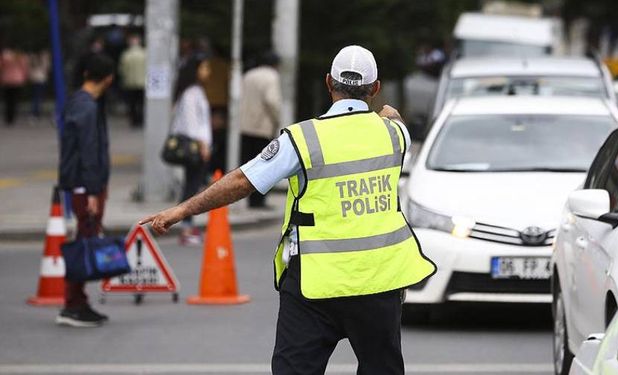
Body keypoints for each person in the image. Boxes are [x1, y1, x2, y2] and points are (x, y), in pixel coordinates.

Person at [140, 45, 436, 374]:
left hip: (314, 284)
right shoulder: (395, 135)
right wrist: (388, 113)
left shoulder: (303, 139)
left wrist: (181, 211)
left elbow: (242, 181)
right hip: (380, 282)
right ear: (376, 88)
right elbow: (393, 117)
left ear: (328, 83)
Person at [57, 53, 114, 327]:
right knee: (84, 241)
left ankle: (77, 301)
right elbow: (88, 152)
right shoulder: (88, 107)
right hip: (85, 186)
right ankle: (73, 304)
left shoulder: (78, 102)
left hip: (83, 184)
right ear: (109, 79)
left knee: (84, 238)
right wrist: (93, 190)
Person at [171, 57, 212, 246]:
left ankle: (188, 225)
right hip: (195, 147)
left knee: (193, 185)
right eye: (204, 67)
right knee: (191, 186)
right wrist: (203, 145)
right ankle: (186, 227)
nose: (207, 71)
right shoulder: (191, 93)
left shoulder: (195, 91)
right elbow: (191, 123)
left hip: (198, 145)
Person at [239, 51, 282, 208]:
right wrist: (277, 119)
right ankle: (259, 201)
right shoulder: (272, 76)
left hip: (245, 125)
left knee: (249, 164)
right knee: (265, 165)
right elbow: (272, 100)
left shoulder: (249, 75)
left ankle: (250, 199)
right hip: (262, 126)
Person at [119, 34, 146, 128]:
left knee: (132, 103)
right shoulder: (145, 54)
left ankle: (134, 120)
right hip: (143, 83)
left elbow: (122, 70)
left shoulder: (126, 55)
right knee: (141, 103)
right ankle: (141, 120)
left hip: (130, 83)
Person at [0, 46, 29, 126]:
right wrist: (24, 78)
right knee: (14, 101)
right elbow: (25, 68)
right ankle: (12, 118)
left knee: (7, 101)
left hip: (7, 80)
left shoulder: (5, 56)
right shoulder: (21, 57)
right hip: (17, 80)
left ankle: (8, 118)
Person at [28, 49, 50, 119]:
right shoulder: (42, 61)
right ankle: (36, 112)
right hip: (40, 80)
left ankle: (36, 112)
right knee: (38, 97)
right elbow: (46, 69)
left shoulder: (35, 61)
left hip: (36, 80)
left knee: (36, 97)